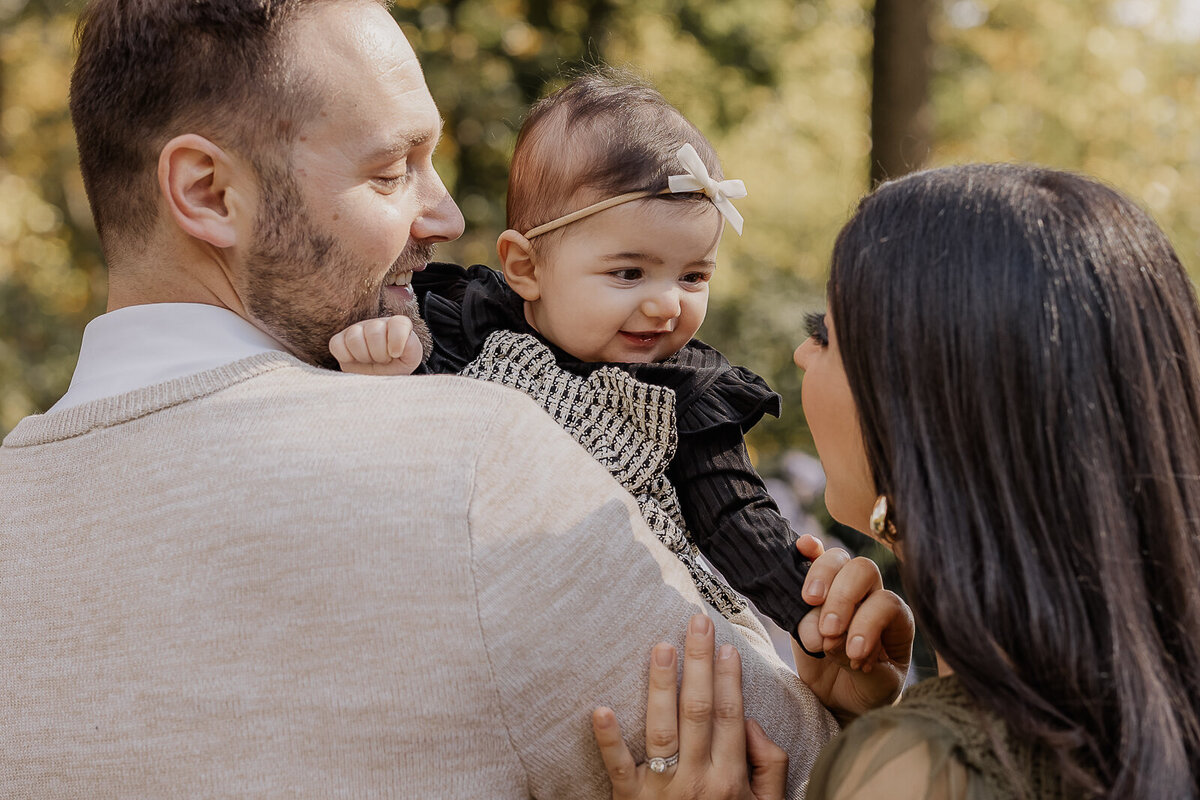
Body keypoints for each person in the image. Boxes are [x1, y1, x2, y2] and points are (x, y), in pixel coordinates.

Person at [0, 1, 911, 796]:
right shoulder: (472, 464)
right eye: (392, 171)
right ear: (208, 192)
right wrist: (845, 694)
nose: (446, 218)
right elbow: (808, 770)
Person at [596, 163, 1200, 799]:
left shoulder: (924, 769)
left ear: (927, 410)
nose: (803, 355)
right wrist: (860, 728)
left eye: (824, 334)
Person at [331, 71, 819, 647]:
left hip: (641, 629)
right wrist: (384, 381)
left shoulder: (685, 392)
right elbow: (422, 453)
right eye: (628, 273)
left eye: (693, 276)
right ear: (526, 268)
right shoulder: (461, 326)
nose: (666, 303)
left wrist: (817, 611)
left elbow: (736, 519)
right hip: (478, 613)